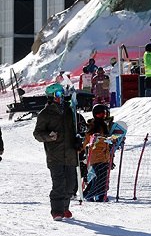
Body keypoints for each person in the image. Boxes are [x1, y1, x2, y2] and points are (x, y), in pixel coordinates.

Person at [33, 83, 82, 221]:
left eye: (63, 94)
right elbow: (37, 133)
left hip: (71, 154)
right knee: (59, 184)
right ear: (52, 96)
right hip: (55, 155)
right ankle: (57, 211)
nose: (62, 97)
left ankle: (65, 207)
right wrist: (49, 136)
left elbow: (77, 128)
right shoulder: (45, 114)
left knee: (71, 185)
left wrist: (78, 139)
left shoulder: (69, 110)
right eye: (59, 94)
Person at [82, 104, 114, 202]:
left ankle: (91, 194)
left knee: (100, 176)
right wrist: (80, 149)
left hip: (105, 155)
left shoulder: (104, 125)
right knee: (101, 177)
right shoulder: (93, 125)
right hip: (96, 155)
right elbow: (87, 139)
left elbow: (107, 139)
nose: (103, 116)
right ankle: (95, 195)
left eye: (104, 113)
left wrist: (114, 140)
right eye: (100, 114)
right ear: (95, 114)